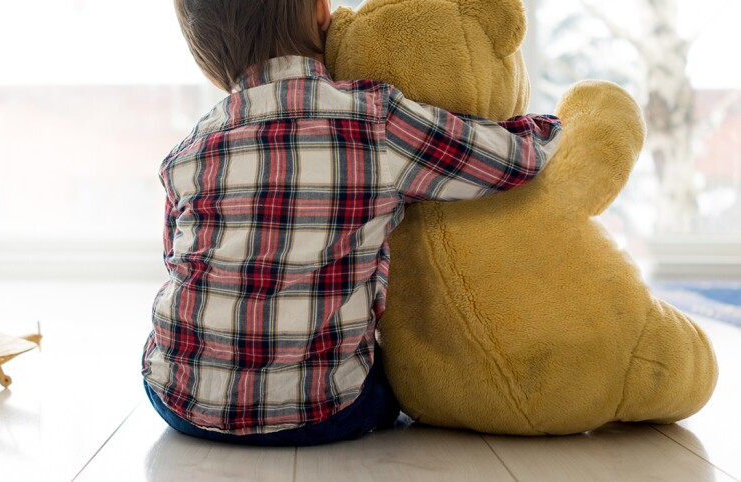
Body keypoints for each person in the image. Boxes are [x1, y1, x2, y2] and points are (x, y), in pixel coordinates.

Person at [142, 0, 563, 446]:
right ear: (322, 12)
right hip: (323, 409)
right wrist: (555, 128)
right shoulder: (373, 118)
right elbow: (509, 161)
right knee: (399, 374)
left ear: (207, 61)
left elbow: (177, 260)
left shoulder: (188, 151)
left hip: (179, 401)